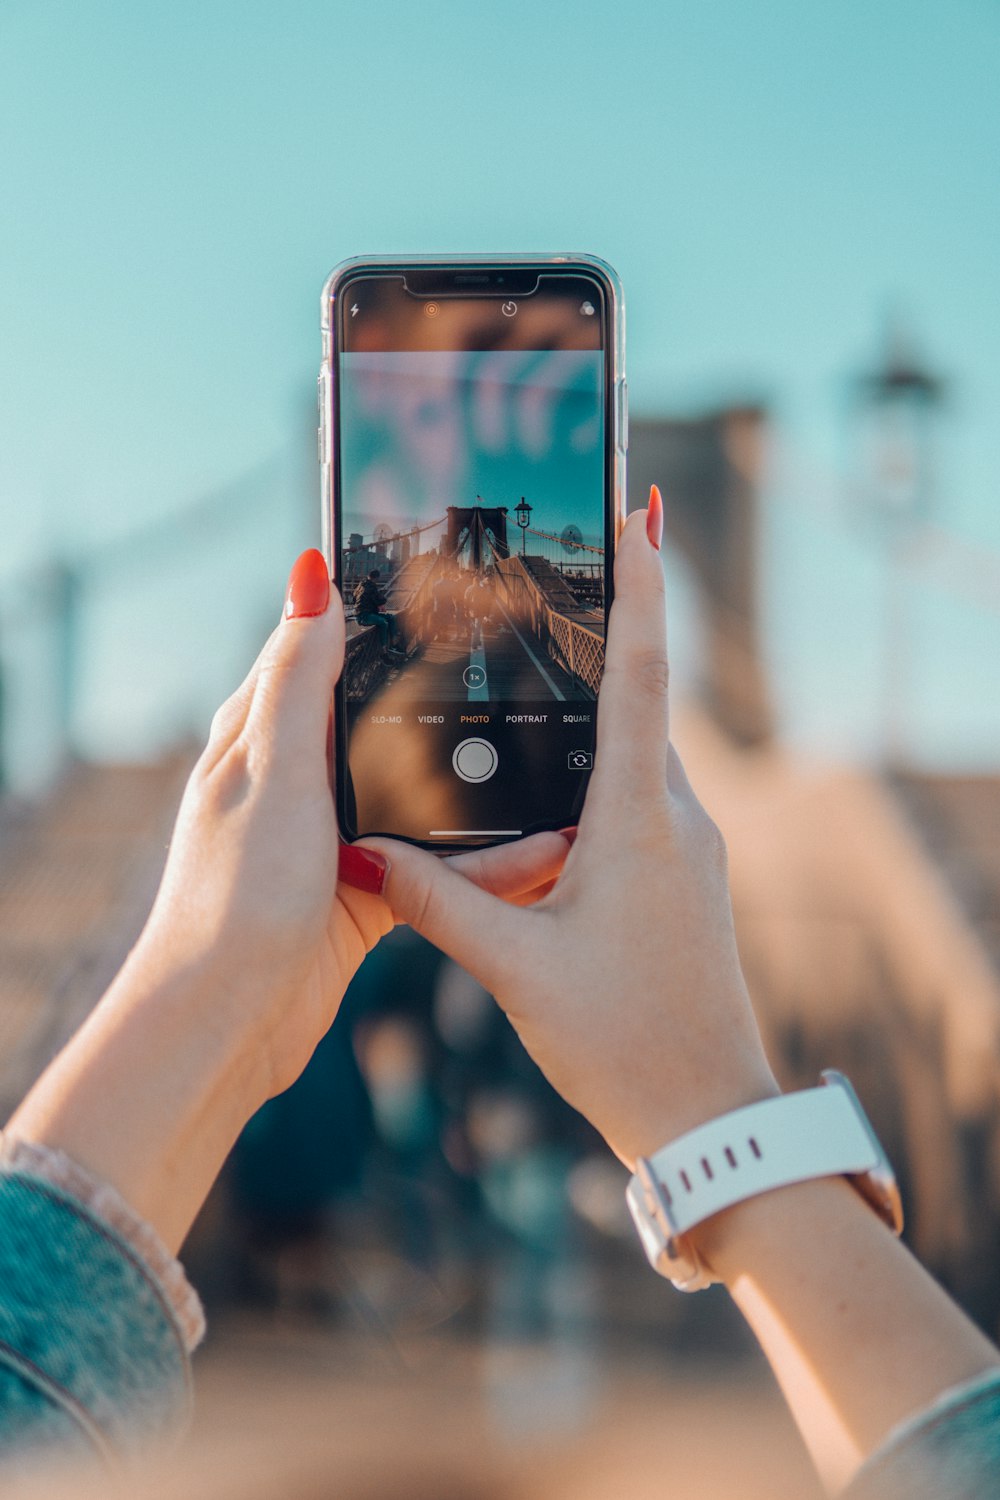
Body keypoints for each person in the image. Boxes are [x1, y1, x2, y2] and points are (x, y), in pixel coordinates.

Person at [1, 493, 999, 1495]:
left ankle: (533, 1379)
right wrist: (714, 1113)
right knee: (534, 1251)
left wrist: (205, 994)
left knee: (528, 1250)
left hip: (507, 1125)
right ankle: (541, 1386)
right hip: (531, 1126)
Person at [353, 569, 403, 658]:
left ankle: (393, 645)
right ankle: (384, 651)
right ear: (376, 578)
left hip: (365, 613)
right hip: (364, 616)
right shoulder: (371, 586)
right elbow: (380, 600)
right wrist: (383, 601)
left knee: (390, 617)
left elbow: (354, 598)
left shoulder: (361, 585)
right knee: (383, 622)